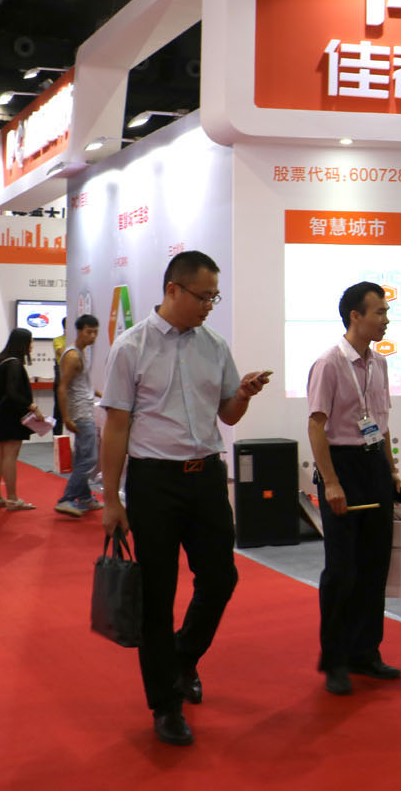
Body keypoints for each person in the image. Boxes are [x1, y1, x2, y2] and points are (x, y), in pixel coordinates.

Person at [100, 250, 271, 746]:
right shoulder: (131, 347)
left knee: (221, 578)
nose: (209, 305)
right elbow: (116, 426)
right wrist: (111, 499)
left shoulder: (214, 346)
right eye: (203, 296)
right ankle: (165, 704)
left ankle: (183, 657)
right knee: (157, 595)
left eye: (215, 297)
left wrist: (243, 394)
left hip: (206, 478)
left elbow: (228, 414)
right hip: (154, 482)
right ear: (172, 289)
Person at [306, 281, 401, 696]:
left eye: (386, 312)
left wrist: (391, 471)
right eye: (379, 312)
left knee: (374, 564)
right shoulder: (328, 363)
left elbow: (381, 423)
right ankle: (335, 659)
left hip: (374, 466)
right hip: (341, 466)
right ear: (355, 316)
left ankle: (366, 651)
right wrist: (330, 482)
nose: (385, 319)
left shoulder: (379, 364)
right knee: (342, 570)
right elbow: (316, 426)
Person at [54, 315, 103, 516]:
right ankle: (66, 499)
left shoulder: (80, 353)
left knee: (83, 456)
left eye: (95, 332)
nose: (93, 336)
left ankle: (84, 498)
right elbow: (62, 387)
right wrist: (66, 417)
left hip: (84, 409)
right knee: (89, 459)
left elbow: (81, 385)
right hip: (80, 414)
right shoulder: (73, 356)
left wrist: (99, 394)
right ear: (80, 331)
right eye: (89, 332)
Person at [0, 327, 39, 511]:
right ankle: (13, 498)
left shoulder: (1, 359)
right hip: (11, 416)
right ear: (22, 343)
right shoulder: (15, 364)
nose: (31, 346)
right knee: (10, 455)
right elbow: (13, 393)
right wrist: (32, 407)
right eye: (30, 342)